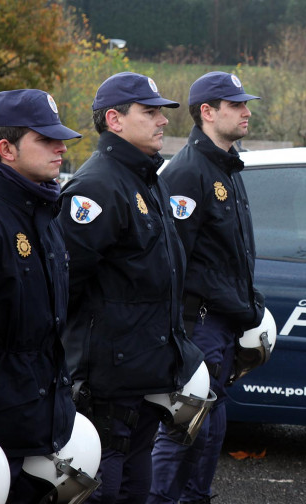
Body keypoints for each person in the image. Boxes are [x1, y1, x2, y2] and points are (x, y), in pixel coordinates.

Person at [57, 72, 205, 503]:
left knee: (137, 485)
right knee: (108, 487)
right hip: (108, 381)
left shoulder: (148, 179)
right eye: (150, 111)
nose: (162, 121)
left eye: (162, 111)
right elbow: (65, 287)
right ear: (114, 120)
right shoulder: (98, 187)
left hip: (146, 374)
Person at [148, 72, 266, 504]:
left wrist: (248, 304)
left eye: (244, 104)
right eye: (236, 105)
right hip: (196, 324)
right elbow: (174, 261)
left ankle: (196, 497)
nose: (246, 111)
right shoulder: (188, 172)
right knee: (185, 426)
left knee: (211, 424)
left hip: (223, 322)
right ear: (207, 112)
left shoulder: (227, 166)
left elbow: (230, 254)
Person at [0, 89, 80, 501]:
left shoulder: (44, 214)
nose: (60, 147)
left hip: (37, 427)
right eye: (44, 138)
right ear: (6, 148)